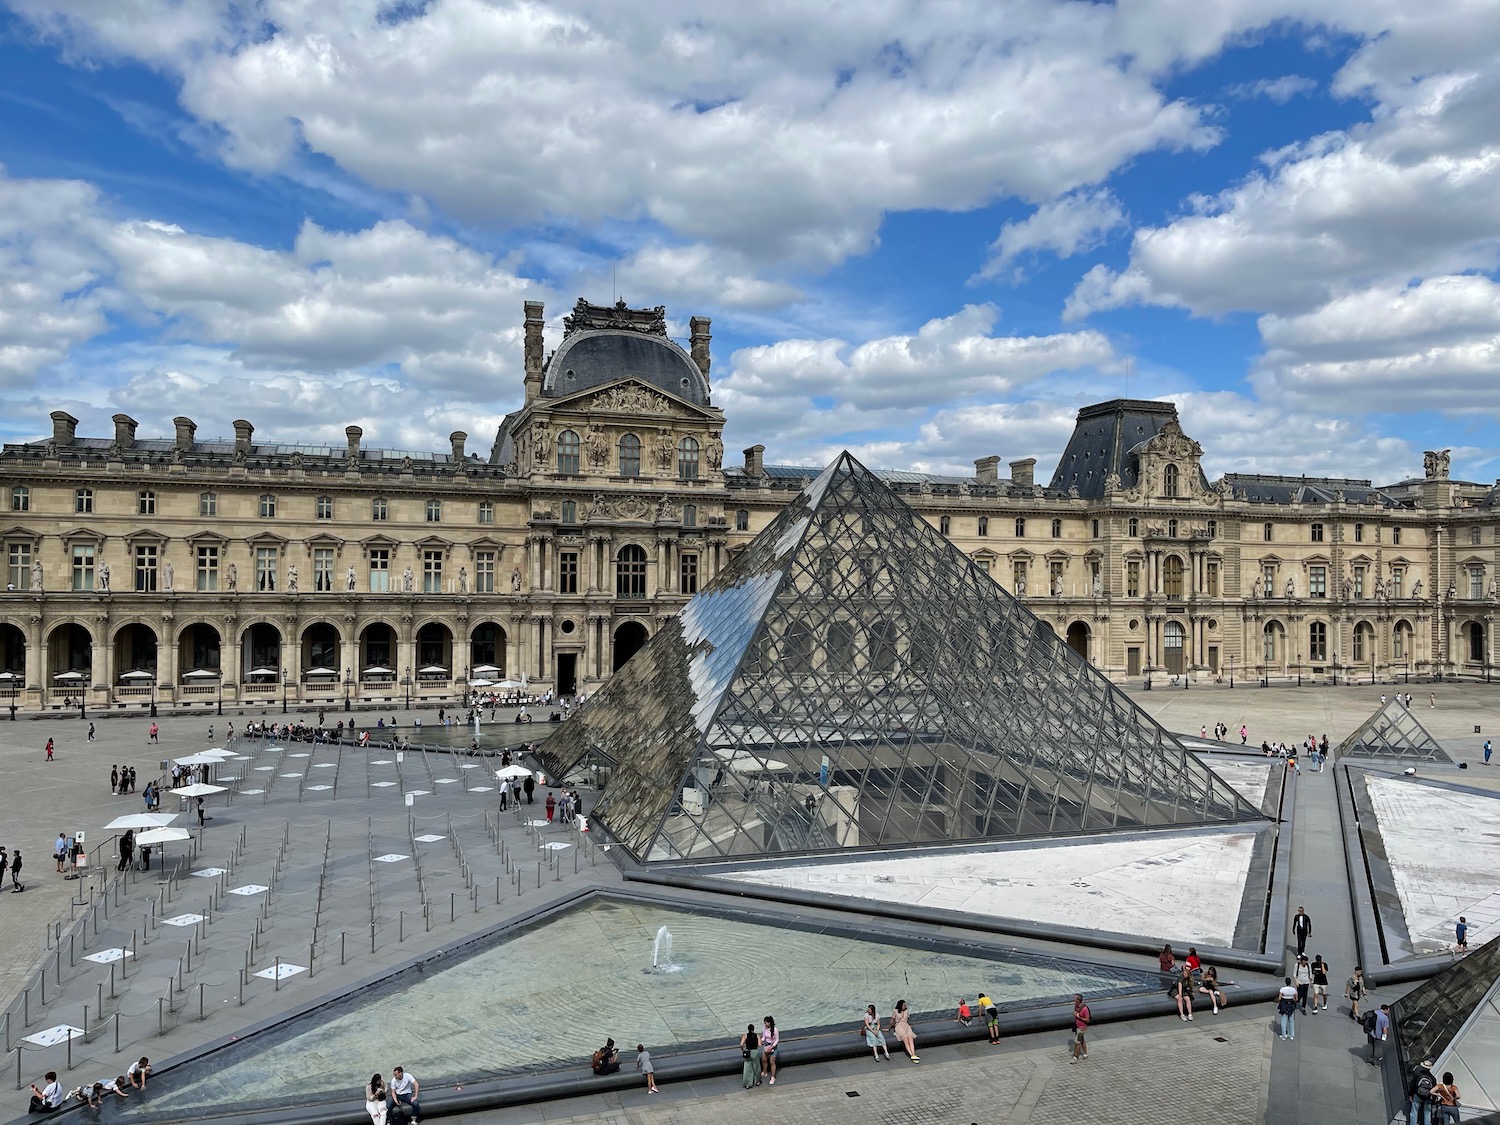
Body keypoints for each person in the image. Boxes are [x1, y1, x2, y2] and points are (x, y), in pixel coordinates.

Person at [738, 1023, 760, 1088]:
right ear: (754, 1029)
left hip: (748, 1052)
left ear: (748, 1029)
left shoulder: (745, 1036)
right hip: (755, 1052)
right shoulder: (757, 1036)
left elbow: (741, 1044)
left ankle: (748, 1083)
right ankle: (757, 1081)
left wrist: (743, 1049)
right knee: (756, 1067)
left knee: (747, 1068)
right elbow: (759, 1044)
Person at [1071, 994, 1090, 1063]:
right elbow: (1076, 1013)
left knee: (1077, 1042)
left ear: (1078, 1000)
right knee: (1081, 1040)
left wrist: (1078, 1016)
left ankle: (1075, 1057)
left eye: (1075, 999)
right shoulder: (1076, 1006)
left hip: (1082, 1028)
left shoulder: (1085, 1009)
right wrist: (1075, 1014)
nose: (1074, 1000)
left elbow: (1087, 1020)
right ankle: (1085, 1053)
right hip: (1077, 1026)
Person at [761, 1016, 779, 1084]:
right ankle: (765, 1072)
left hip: (773, 1046)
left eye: (766, 1023)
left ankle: (773, 1077)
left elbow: (777, 1040)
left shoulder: (775, 1030)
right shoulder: (765, 1029)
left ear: (769, 1023)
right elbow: (763, 1038)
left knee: (772, 1062)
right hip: (766, 1045)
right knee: (764, 1059)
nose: (765, 1024)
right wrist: (759, 1041)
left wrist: (772, 1047)